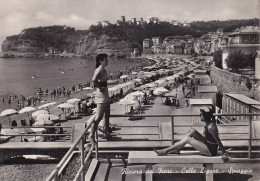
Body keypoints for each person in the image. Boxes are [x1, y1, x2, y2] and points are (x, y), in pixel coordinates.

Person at [154, 107, 229, 161]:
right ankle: (177, 149)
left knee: (188, 139)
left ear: (205, 116)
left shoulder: (211, 127)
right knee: (192, 131)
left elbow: (218, 141)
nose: (200, 115)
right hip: (208, 144)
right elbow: (208, 137)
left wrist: (224, 153)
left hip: (211, 151)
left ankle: (166, 151)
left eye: (201, 114)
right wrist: (198, 137)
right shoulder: (207, 124)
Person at [89, 54, 111, 144]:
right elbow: (93, 80)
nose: (107, 61)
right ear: (101, 61)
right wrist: (99, 87)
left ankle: (107, 133)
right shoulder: (99, 69)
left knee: (107, 115)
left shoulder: (103, 70)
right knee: (99, 117)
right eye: (106, 60)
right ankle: (91, 135)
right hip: (101, 95)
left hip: (105, 93)